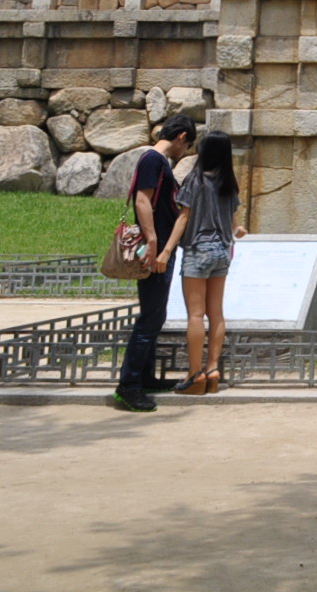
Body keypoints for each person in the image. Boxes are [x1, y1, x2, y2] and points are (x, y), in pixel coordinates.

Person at [111, 115, 197, 412]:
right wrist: (152, 242)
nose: (184, 153)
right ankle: (129, 385)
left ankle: (144, 376)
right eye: (187, 146)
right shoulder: (153, 159)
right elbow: (142, 201)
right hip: (154, 251)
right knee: (149, 319)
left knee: (154, 314)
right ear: (182, 136)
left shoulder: (158, 163)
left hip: (159, 249)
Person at [165, 132, 247, 396]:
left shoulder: (195, 181)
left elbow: (184, 217)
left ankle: (194, 374)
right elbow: (233, 221)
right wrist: (237, 230)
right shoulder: (229, 183)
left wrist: (166, 250)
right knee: (217, 313)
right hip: (223, 250)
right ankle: (213, 369)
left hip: (198, 249)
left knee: (196, 315)